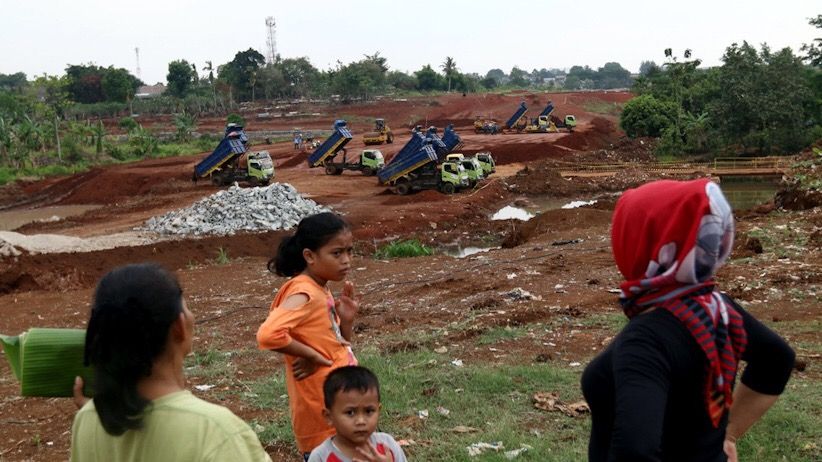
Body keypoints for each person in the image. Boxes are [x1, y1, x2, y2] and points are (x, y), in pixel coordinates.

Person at [581, 178, 795, 462]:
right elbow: (777, 360)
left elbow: (636, 450)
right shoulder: (718, 308)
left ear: (639, 242)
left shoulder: (645, 340)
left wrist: (729, 435)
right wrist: (728, 436)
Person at [71, 263, 271, 462]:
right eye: (186, 307)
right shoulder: (216, 433)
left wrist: (93, 413)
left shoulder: (88, 420)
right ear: (179, 327)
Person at [256, 212, 359, 460]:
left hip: (342, 407)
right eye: (337, 253)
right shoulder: (304, 292)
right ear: (310, 256)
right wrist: (311, 356)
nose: (346, 260)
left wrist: (345, 321)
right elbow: (268, 334)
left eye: (349, 251)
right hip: (322, 415)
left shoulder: (319, 287)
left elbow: (334, 343)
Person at [308, 366, 407, 462]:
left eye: (368, 411)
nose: (361, 421)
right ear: (329, 417)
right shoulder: (321, 457)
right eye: (350, 413)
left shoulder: (388, 447)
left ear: (378, 410)